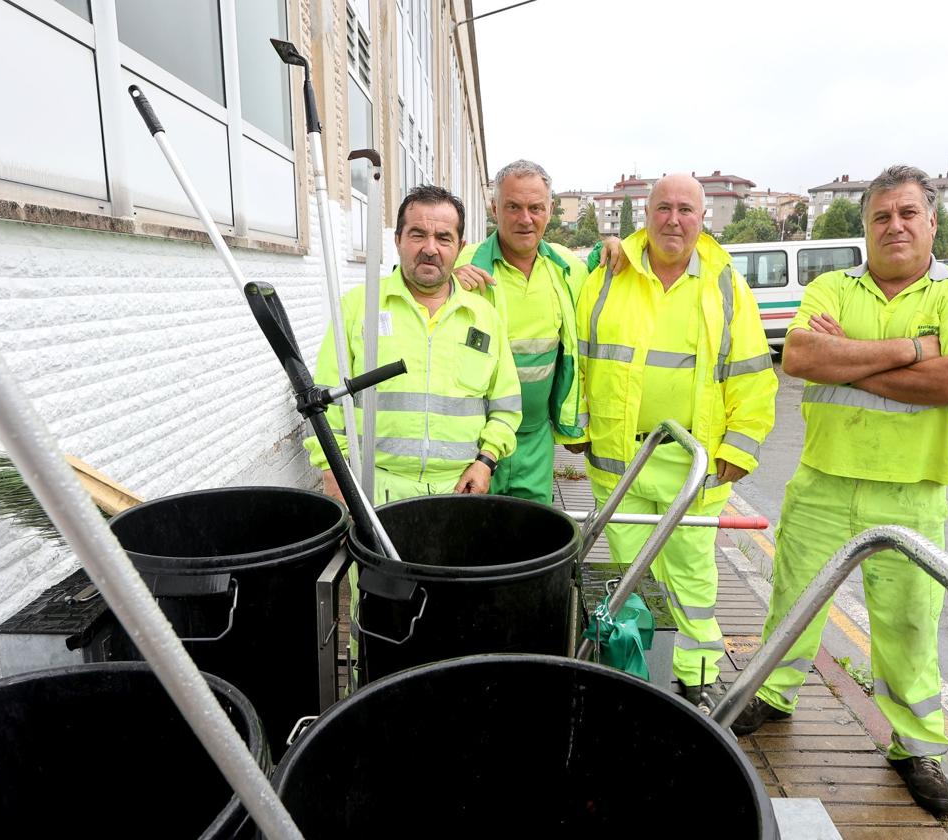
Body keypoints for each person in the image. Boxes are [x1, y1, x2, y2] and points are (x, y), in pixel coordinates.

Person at [730, 165, 948, 818]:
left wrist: (855, 361)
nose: (895, 225)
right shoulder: (831, 285)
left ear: (932, 222)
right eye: (881, 216)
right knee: (793, 603)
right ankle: (774, 694)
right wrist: (912, 348)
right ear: (867, 227)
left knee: (909, 626)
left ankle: (914, 746)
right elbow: (800, 358)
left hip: (912, 493)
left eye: (908, 213)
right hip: (824, 482)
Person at [574, 173, 777, 707]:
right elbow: (579, 354)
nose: (674, 219)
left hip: (692, 468)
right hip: (621, 461)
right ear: (646, 213)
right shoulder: (607, 274)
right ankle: (634, 677)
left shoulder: (725, 283)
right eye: (664, 207)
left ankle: (696, 680)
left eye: (686, 209)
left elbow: (753, 372)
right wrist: (575, 426)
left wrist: (740, 445)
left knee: (691, 582)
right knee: (626, 579)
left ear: (701, 217)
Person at [306, 184, 522, 503]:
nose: (430, 248)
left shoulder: (484, 318)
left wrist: (486, 462)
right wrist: (332, 473)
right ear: (398, 240)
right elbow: (325, 402)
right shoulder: (358, 308)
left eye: (443, 237)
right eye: (418, 234)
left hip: (458, 491)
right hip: (372, 491)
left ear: (460, 246)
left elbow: (506, 407)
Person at [453, 160, 620, 504]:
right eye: (513, 206)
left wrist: (615, 243)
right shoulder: (461, 265)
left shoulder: (566, 267)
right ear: (494, 208)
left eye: (535, 208)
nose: (525, 218)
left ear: (551, 210)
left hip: (536, 439)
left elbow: (605, 267)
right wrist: (447, 286)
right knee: (472, 542)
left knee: (531, 540)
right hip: (473, 441)